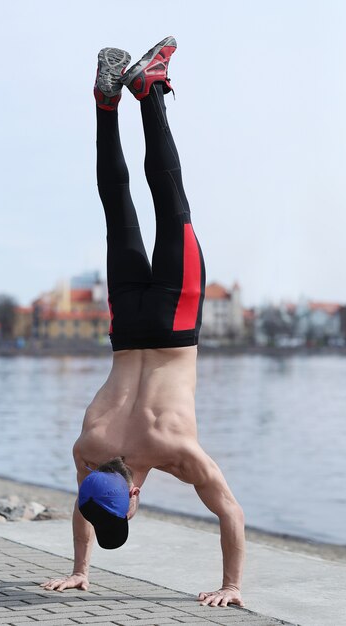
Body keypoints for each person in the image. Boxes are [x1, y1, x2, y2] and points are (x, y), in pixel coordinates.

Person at [41, 36, 245, 608]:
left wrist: (231, 587)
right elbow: (86, 499)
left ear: (133, 500)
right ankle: (108, 108)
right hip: (127, 324)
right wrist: (79, 565)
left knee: (170, 201)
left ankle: (148, 90)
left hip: (176, 321)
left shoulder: (172, 448)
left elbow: (229, 510)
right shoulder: (89, 443)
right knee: (118, 206)